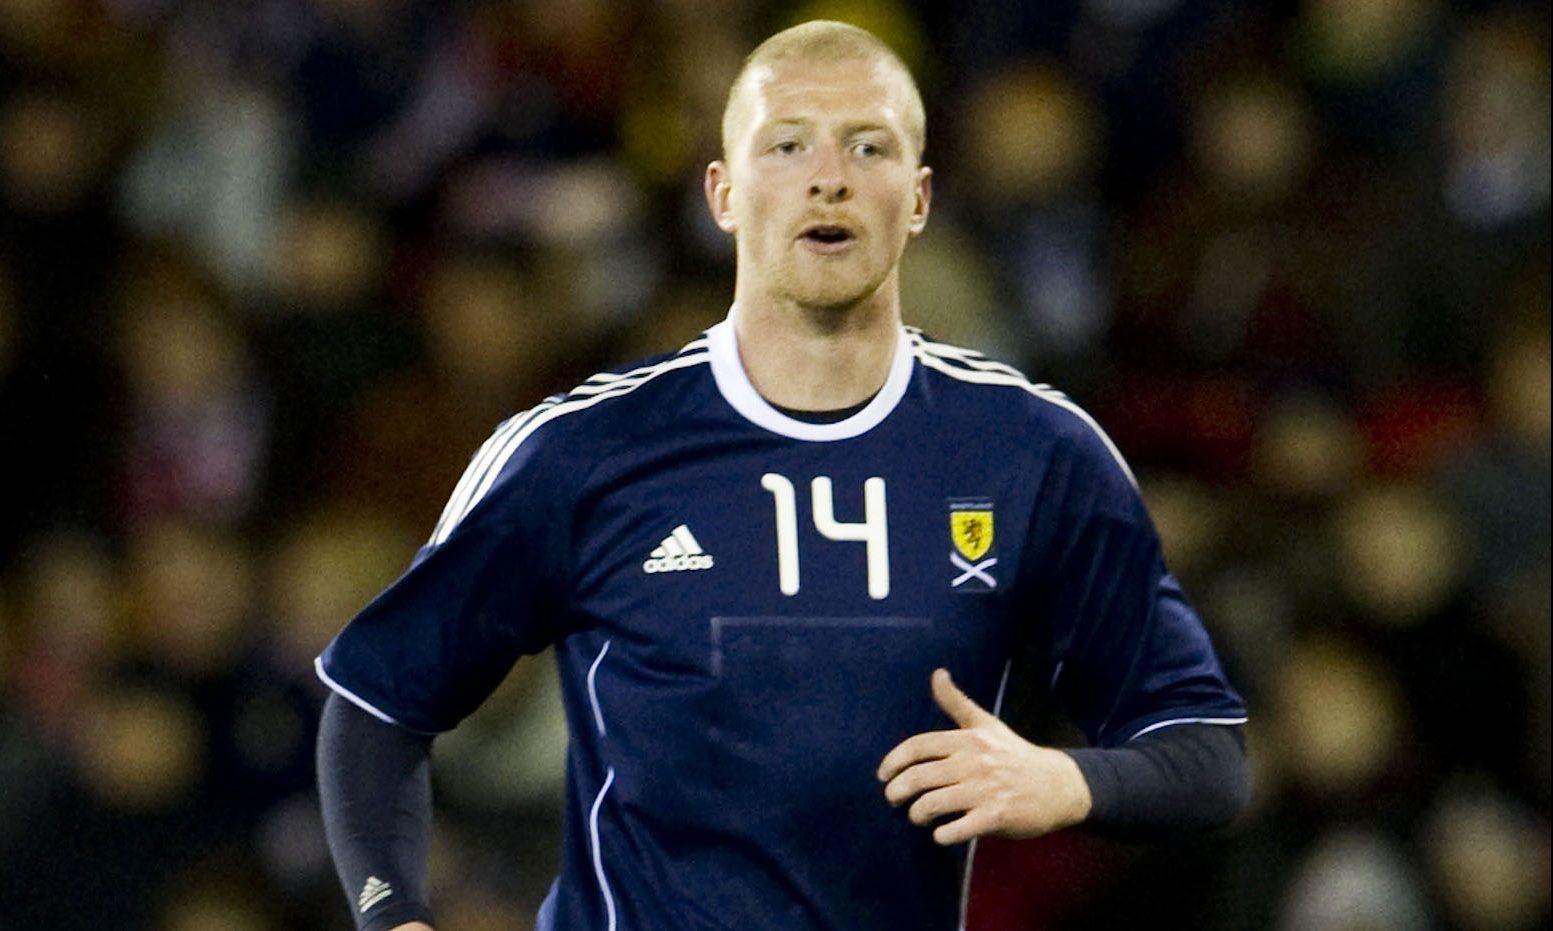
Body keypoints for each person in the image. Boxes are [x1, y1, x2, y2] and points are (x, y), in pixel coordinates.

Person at [315, 20, 1250, 931]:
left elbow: (1205, 753)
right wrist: (391, 913)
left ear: (918, 199)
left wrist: (1067, 779)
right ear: (722, 193)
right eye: (787, 144)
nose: (829, 178)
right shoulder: (582, 451)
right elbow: (376, 706)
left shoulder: (1031, 451)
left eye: (868, 147)